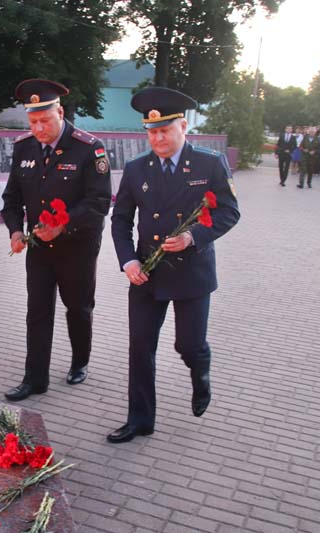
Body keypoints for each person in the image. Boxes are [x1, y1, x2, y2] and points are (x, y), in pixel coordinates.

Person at [108, 87, 240, 443]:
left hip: (191, 271)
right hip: (147, 274)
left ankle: (201, 371)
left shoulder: (208, 163)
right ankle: (140, 420)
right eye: (151, 132)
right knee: (140, 348)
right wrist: (128, 260)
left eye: (165, 130)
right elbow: (120, 221)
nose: (158, 137)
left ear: (183, 127)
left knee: (188, 345)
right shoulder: (136, 169)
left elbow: (229, 211)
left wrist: (193, 237)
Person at [1, 79, 112, 401]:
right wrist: (15, 230)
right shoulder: (24, 147)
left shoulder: (89, 148)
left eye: (45, 121)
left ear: (60, 112)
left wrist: (64, 227)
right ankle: (35, 378)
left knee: (77, 307)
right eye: (32, 122)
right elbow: (11, 198)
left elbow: (99, 202)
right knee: (37, 310)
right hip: (39, 246)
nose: (38, 128)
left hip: (77, 245)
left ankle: (80, 361)